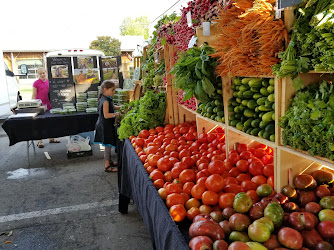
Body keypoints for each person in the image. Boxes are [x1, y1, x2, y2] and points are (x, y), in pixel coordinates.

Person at [94, 80, 121, 172]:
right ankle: (107, 165)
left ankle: (109, 161)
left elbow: (112, 107)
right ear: (105, 89)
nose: (114, 92)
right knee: (107, 145)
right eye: (112, 90)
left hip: (106, 124)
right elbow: (106, 115)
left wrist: (120, 107)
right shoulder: (105, 101)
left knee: (108, 144)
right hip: (105, 125)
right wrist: (116, 114)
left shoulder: (106, 97)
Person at [32, 67, 60, 148]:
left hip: (49, 105)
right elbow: (34, 95)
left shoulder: (49, 82)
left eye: (43, 73)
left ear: (46, 73)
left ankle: (51, 138)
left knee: (50, 122)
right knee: (40, 123)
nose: (42, 75)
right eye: (40, 73)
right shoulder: (36, 83)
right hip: (40, 106)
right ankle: (40, 141)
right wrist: (33, 105)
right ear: (38, 74)